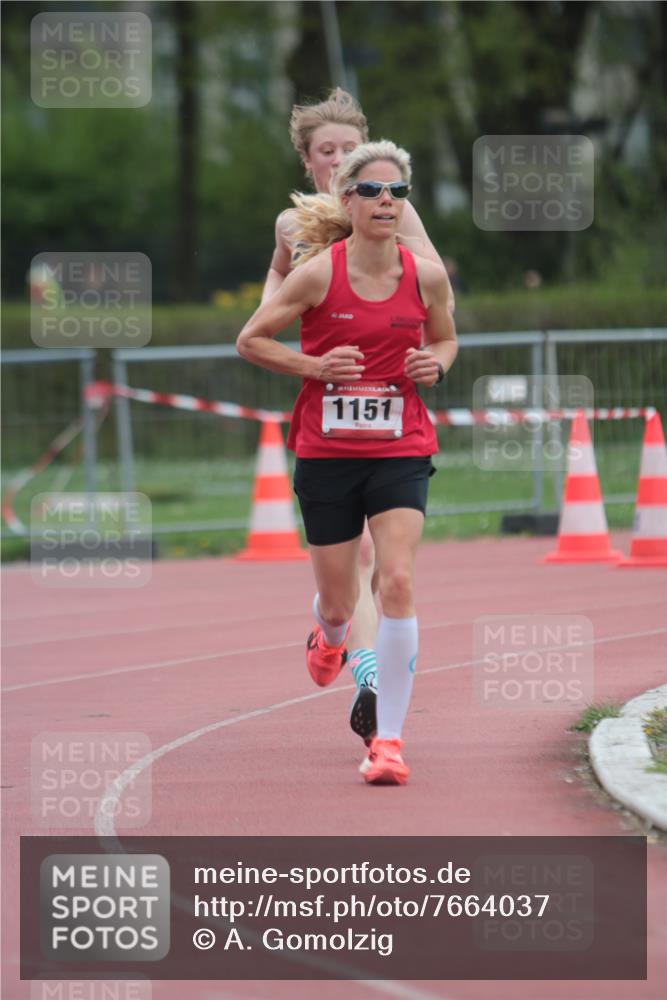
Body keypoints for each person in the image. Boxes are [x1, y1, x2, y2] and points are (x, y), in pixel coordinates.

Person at [238, 141, 458, 784]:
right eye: (372, 191)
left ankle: (387, 742)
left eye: (397, 192)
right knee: (339, 603)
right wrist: (313, 366)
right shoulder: (317, 274)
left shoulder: (426, 275)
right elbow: (250, 340)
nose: (386, 201)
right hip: (327, 454)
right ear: (348, 200)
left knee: (396, 582)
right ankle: (329, 636)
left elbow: (445, 337)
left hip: (401, 448)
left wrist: (435, 364)